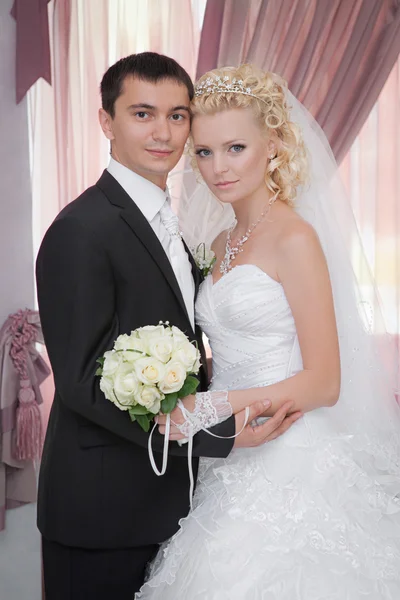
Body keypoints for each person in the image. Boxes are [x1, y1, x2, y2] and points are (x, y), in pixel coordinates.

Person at [35, 53, 299, 600]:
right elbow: (84, 383)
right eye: (142, 114)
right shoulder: (81, 229)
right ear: (107, 122)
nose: (163, 133)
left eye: (178, 116)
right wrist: (215, 433)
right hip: (103, 515)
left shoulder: (168, 219)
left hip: (174, 505)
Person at [136, 64, 400, 599]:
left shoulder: (294, 237)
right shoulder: (221, 240)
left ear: (273, 147)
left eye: (235, 148)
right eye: (204, 152)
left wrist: (219, 404)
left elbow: (325, 381)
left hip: (290, 450)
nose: (217, 168)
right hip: (233, 450)